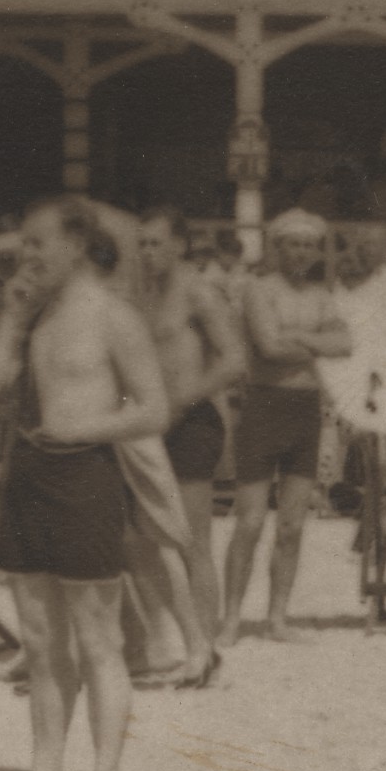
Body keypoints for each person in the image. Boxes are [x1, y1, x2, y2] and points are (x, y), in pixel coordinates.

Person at [0, 197, 178, 771]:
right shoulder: (33, 317)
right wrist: (13, 319)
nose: (24, 255)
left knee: (97, 639)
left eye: (36, 243)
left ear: (77, 245)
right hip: (29, 472)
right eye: (23, 245)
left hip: (86, 474)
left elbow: (154, 409)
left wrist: (89, 427)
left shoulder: (114, 316)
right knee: (39, 638)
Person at [117, 205, 242, 688]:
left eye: (155, 243)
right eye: (141, 244)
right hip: (145, 425)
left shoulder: (198, 293)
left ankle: (205, 652)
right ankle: (166, 643)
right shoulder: (135, 296)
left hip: (192, 422)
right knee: (136, 538)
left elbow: (233, 362)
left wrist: (178, 401)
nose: (146, 253)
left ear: (180, 245)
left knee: (192, 542)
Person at [222, 210, 351, 645]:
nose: (301, 252)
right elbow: (269, 347)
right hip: (264, 405)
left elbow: (346, 343)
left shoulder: (321, 294)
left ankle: (278, 617)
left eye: (308, 245)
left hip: (304, 409)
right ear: (277, 248)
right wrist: (317, 344)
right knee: (250, 521)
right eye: (292, 244)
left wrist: (300, 340)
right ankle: (231, 619)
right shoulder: (259, 290)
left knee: (293, 524)